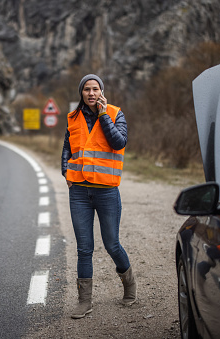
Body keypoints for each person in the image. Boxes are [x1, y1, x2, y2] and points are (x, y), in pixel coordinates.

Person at [61, 74, 137, 319]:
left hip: (106, 191)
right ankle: (84, 302)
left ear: (102, 92)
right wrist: (67, 174)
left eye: (95, 89)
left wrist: (104, 115)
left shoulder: (116, 114)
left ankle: (129, 285)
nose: (91, 93)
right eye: (86, 90)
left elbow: (119, 142)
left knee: (112, 243)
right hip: (80, 192)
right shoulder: (73, 118)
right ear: (81, 93)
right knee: (84, 248)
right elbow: (67, 149)